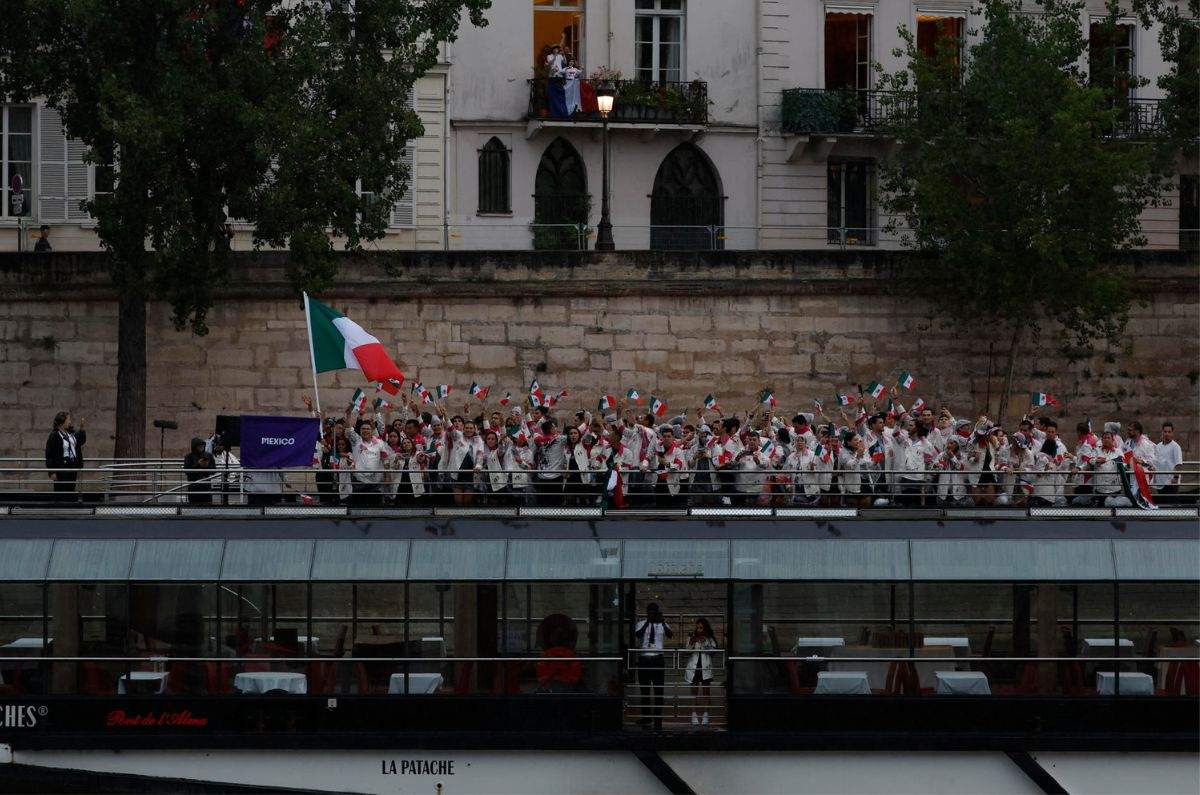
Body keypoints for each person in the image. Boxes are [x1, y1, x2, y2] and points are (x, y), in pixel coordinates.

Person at [632, 603, 672, 730]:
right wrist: (647, 622)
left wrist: (663, 622)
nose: (652, 614)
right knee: (645, 690)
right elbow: (637, 635)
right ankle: (646, 717)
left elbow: (670, 635)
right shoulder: (641, 623)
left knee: (659, 691)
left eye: (654, 612)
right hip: (644, 658)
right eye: (650, 612)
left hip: (657, 658)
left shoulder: (661, 624)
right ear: (647, 612)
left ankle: (658, 719)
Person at [44, 411, 85, 501]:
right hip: (61, 466)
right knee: (61, 489)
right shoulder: (54, 435)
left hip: (72, 465)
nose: (70, 422)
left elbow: (80, 441)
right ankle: (60, 509)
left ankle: (70, 508)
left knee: (71, 488)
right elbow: (49, 454)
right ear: (62, 421)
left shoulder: (71, 433)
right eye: (68, 419)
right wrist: (51, 472)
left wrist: (81, 429)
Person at [684, 618, 717, 727]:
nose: (699, 630)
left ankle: (705, 714)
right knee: (694, 692)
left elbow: (713, 652)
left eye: (701, 628)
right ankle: (694, 714)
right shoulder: (691, 636)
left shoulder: (710, 638)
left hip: (705, 667)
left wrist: (705, 642)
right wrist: (691, 642)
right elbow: (687, 651)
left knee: (706, 692)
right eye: (697, 627)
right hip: (694, 667)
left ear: (705, 628)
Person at [1153, 421, 1183, 501]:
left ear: (1172, 433)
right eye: (1165, 431)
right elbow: (1156, 462)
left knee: (1172, 504)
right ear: (1162, 432)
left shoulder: (1175, 447)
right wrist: (1155, 477)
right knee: (1162, 503)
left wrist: (1175, 478)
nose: (1167, 434)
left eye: (1169, 432)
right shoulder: (1158, 446)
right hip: (1160, 481)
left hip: (1171, 481)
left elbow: (1179, 464)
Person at [183, 437, 215, 505]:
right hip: (194, 486)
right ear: (195, 446)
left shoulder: (208, 455)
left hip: (206, 487)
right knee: (193, 505)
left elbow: (214, 470)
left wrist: (207, 466)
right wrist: (197, 464)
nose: (201, 447)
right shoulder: (189, 456)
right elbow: (187, 471)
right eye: (199, 446)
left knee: (208, 505)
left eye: (203, 445)